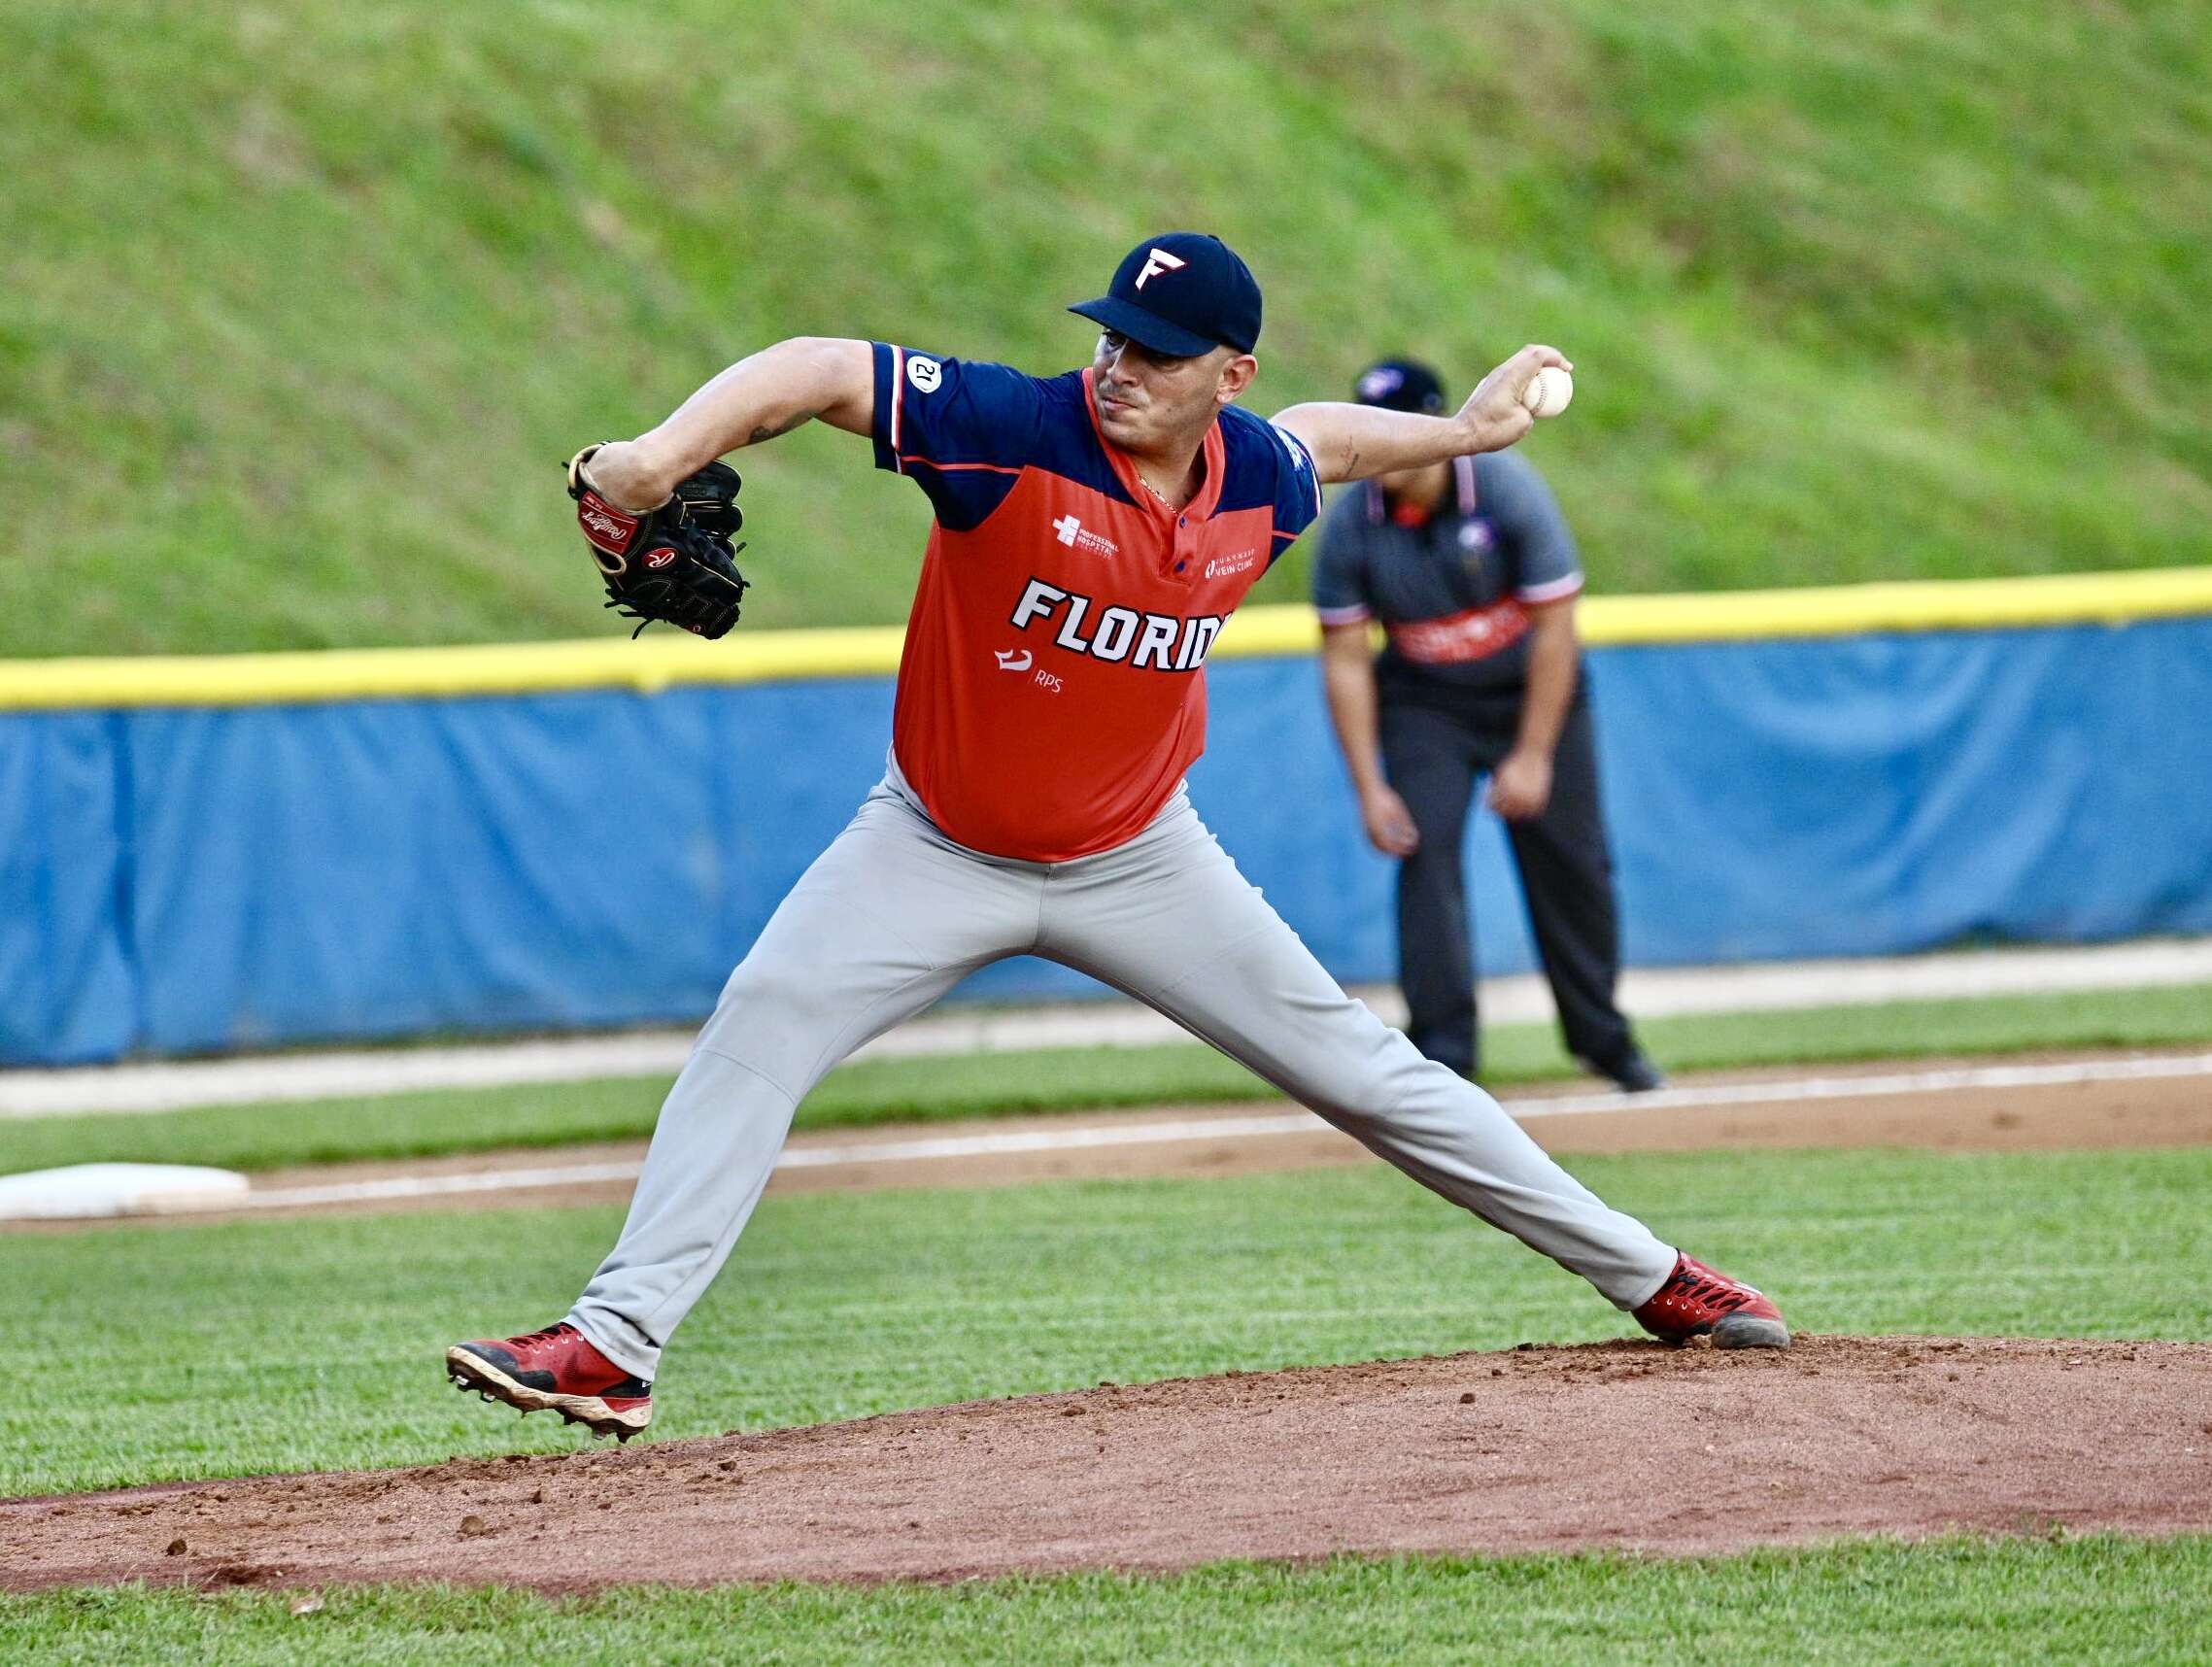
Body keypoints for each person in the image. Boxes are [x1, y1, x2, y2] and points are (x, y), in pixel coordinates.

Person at [446, 234, 1788, 1443]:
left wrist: (1466, 434)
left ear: (1229, 373)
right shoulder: (1011, 428)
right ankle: (612, 1348)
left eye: (1156, 352)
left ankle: (1657, 1278)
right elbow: (812, 367)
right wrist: (651, 462)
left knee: (1371, 1074)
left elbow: (1327, 439)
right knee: (762, 1020)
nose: (1118, 366)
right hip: (934, 843)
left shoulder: (1254, 473)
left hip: (1140, 856)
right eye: (1109, 336)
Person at [1312, 358, 1663, 1094]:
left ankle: (1603, 1039)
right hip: (1423, 706)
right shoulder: (1352, 524)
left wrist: (1534, 754)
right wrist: (1370, 787)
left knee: (1573, 865)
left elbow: (1555, 631)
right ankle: (1443, 1055)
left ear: (1436, 429)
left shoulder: (1505, 491)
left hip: (1528, 693)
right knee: (1424, 851)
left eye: (1401, 425)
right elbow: (1345, 659)